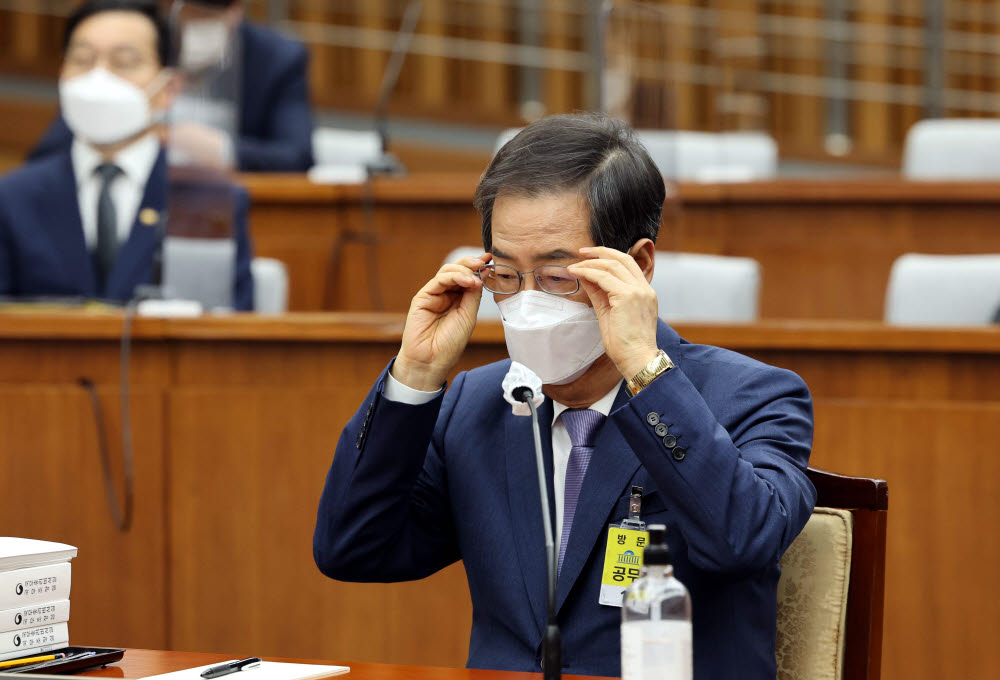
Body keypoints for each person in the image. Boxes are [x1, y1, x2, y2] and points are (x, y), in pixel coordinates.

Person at [314, 114, 816, 679]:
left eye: (557, 277)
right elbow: (353, 549)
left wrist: (645, 371)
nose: (528, 302)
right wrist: (415, 377)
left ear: (639, 265)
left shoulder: (749, 396)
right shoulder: (476, 402)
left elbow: (741, 541)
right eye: (505, 274)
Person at [0, 0, 253, 309]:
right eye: (82, 59)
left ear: (169, 88)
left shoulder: (208, 199)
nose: (99, 78)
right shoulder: (12, 197)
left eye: (124, 62)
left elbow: (231, 332)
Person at [27, 0, 313, 172]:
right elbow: (47, 156)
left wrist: (220, 149)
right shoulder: (132, 46)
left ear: (235, 11)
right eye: (179, 19)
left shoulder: (277, 59)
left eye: (201, 20)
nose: (187, 32)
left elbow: (297, 157)